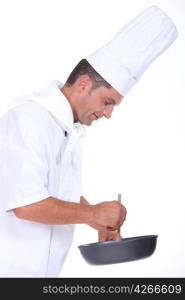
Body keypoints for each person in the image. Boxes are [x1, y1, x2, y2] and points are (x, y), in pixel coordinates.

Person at [0, 6, 178, 277]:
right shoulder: (28, 119)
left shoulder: (68, 132)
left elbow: (55, 194)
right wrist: (93, 214)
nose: (108, 114)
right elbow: (26, 204)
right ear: (83, 84)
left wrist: (95, 218)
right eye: (108, 102)